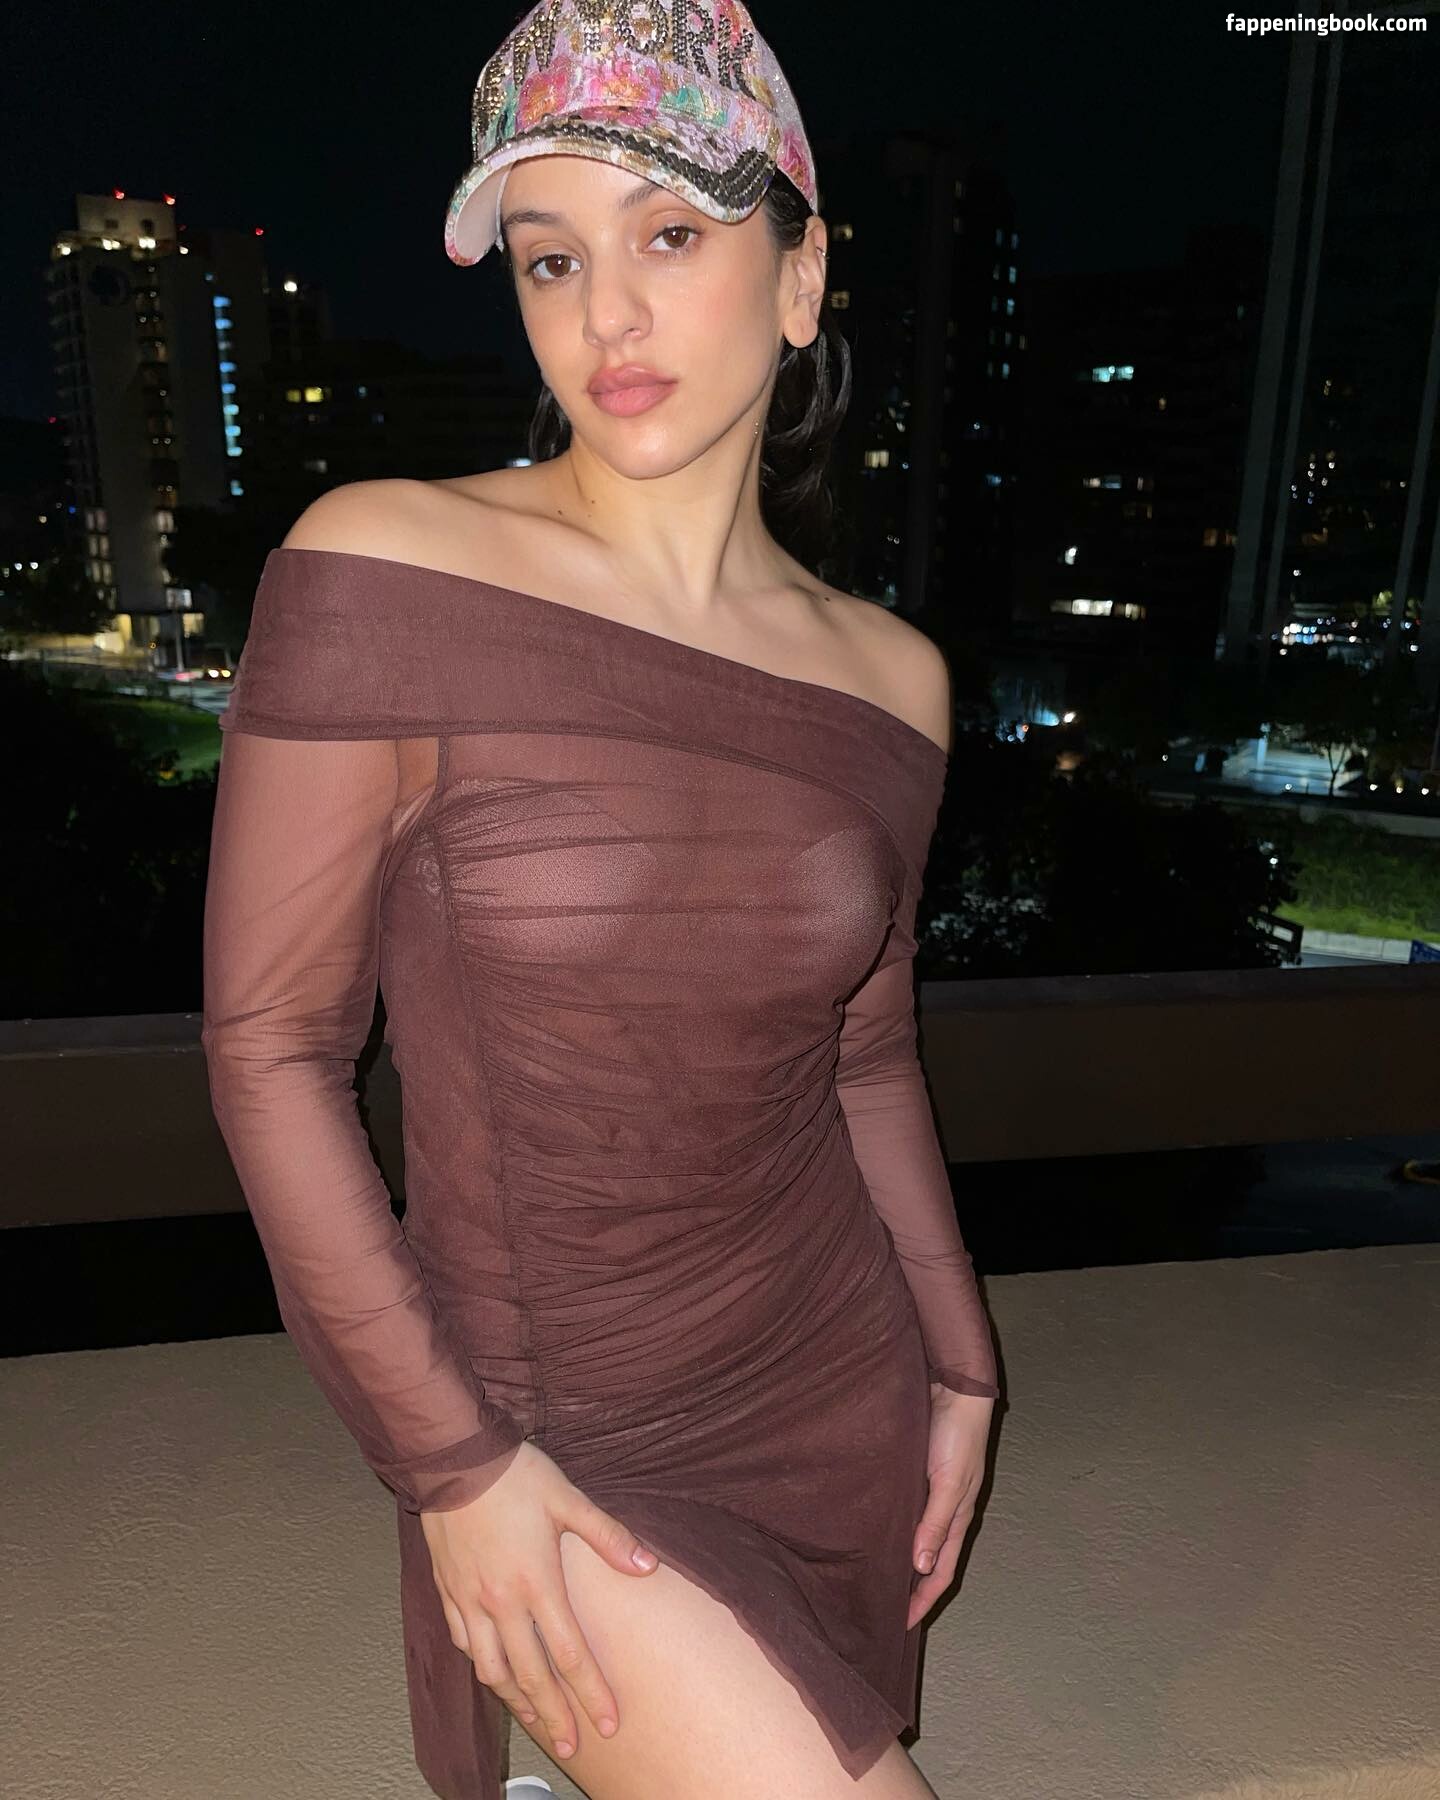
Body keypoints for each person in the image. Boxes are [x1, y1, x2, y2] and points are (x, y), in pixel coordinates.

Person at [200, 2, 1001, 1796]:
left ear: (803, 278)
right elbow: (270, 1050)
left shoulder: (892, 679)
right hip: (550, 1432)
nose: (606, 316)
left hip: (834, 1374)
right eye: (552, 259)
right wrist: (455, 1469)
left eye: (672, 237)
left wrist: (963, 1366)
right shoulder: (386, 563)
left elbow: (867, 1059)